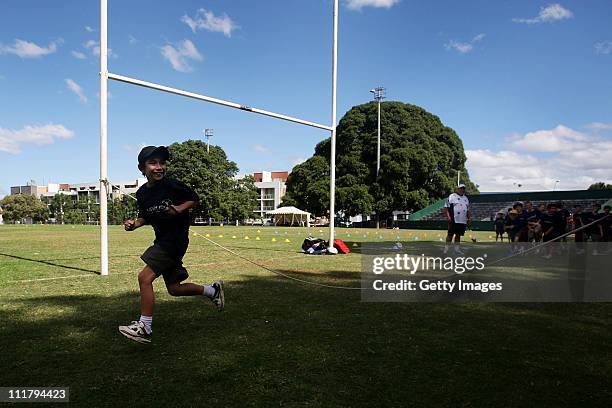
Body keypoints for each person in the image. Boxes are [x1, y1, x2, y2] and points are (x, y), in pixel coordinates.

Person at [119, 146, 225, 344]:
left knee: (144, 278)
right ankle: (213, 291)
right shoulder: (142, 193)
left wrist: (179, 208)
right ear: (142, 168)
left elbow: (194, 198)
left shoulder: (172, 185)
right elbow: (145, 217)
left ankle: (145, 327)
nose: (159, 167)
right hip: (162, 240)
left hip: (175, 240)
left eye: (162, 163)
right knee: (174, 289)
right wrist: (134, 224)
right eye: (153, 163)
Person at [443, 184, 471, 254]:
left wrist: (469, 218)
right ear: (457, 189)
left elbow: (468, 210)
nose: (462, 190)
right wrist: (448, 217)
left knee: (458, 235)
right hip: (453, 219)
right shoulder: (452, 196)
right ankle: (446, 249)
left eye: (463, 189)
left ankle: (457, 249)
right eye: (461, 188)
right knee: (450, 235)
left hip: (462, 220)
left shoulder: (466, 198)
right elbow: (446, 208)